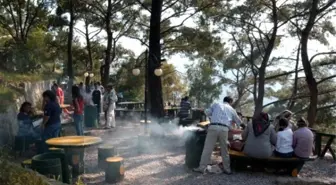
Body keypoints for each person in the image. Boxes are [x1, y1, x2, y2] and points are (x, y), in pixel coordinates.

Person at [193, 96, 242, 174]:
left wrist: (204, 110)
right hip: (224, 129)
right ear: (230, 102)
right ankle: (227, 169)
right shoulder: (232, 109)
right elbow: (239, 121)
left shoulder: (216, 104)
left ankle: (202, 168)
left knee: (207, 149)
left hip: (214, 127)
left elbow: (207, 112)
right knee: (224, 150)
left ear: (224, 100)